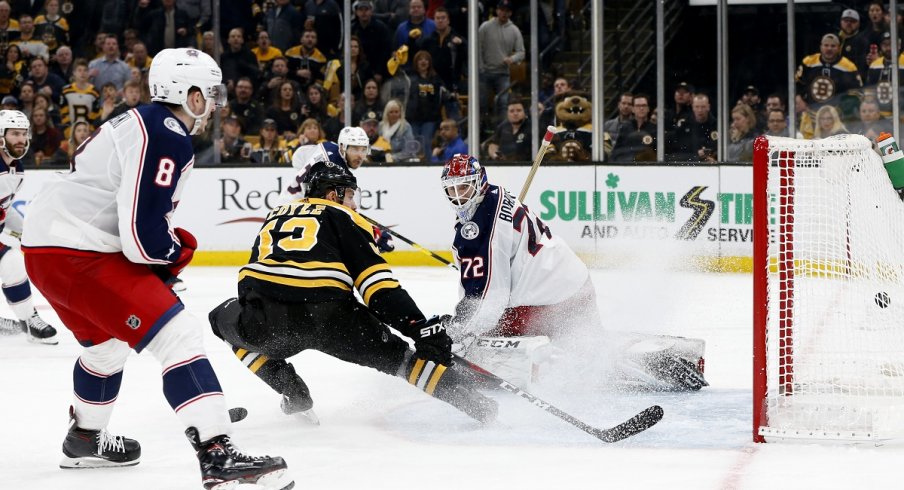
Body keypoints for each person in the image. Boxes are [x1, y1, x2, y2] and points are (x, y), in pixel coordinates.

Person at [20, 48, 293, 489]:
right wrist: (170, 254)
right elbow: (142, 238)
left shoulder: (144, 122)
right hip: (78, 252)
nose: (216, 101)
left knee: (105, 348)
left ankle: (85, 438)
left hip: (50, 249)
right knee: (178, 334)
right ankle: (217, 453)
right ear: (187, 93)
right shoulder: (166, 131)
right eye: (210, 92)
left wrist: (159, 254)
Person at [208, 160, 497, 425]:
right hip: (332, 318)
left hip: (268, 318)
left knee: (222, 321)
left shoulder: (274, 215)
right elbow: (378, 288)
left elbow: (250, 282)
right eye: (350, 195)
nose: (354, 204)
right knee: (403, 361)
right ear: (333, 195)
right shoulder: (346, 217)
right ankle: (478, 405)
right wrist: (420, 329)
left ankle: (291, 390)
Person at [439, 154, 707, 391]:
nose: (459, 196)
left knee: (478, 351)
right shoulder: (496, 195)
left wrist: (461, 332)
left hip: (545, 303)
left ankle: (594, 362)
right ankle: (661, 356)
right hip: (574, 284)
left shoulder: (478, 232)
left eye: (464, 187)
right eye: (452, 190)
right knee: (586, 342)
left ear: (480, 182)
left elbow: (490, 300)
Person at [0, 110, 58, 343]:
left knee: (12, 263)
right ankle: (30, 321)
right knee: (11, 262)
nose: (21, 139)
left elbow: (6, 206)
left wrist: (25, 230)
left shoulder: (18, 170)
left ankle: (28, 322)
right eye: (14, 133)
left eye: (24, 134)